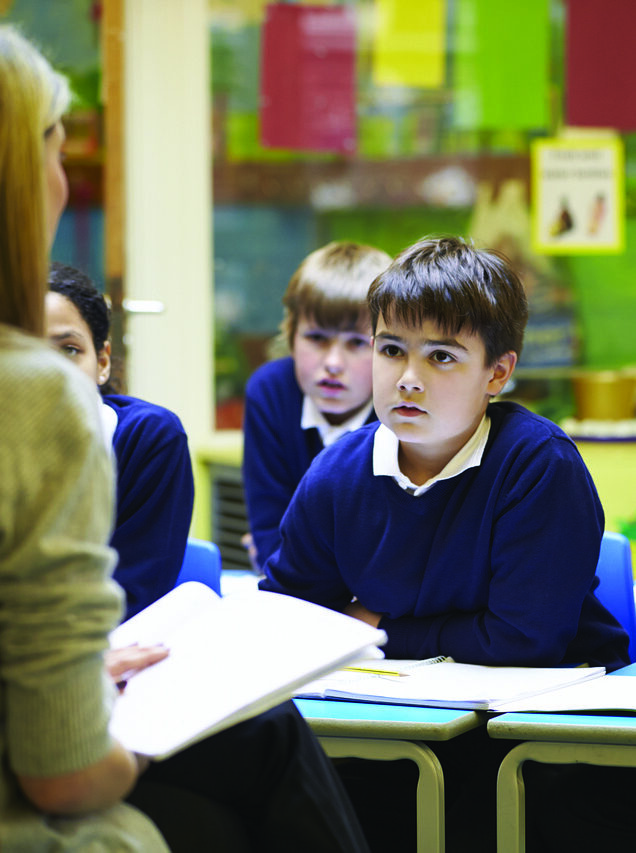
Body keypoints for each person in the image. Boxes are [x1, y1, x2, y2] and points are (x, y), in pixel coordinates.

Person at [0, 24, 370, 853]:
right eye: (56, 153)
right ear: (24, 184)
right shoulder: (33, 402)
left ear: (106, 359)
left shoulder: (137, 430)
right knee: (255, 750)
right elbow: (63, 771)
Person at [259, 234, 630, 851]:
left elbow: (523, 640)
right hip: (399, 728)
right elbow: (289, 620)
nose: (408, 379)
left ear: (499, 372)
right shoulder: (337, 474)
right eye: (391, 350)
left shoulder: (538, 466)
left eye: (442, 357)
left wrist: (378, 629)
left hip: (545, 740)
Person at [46, 262, 194, 620]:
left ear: (102, 362)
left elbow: (136, 595)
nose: (47, 372)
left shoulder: (149, 439)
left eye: (68, 350)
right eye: (24, 352)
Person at [242, 240, 391, 570]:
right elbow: (269, 533)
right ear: (291, 334)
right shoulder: (270, 391)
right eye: (317, 338)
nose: (334, 363)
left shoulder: (402, 406)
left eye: (356, 343)